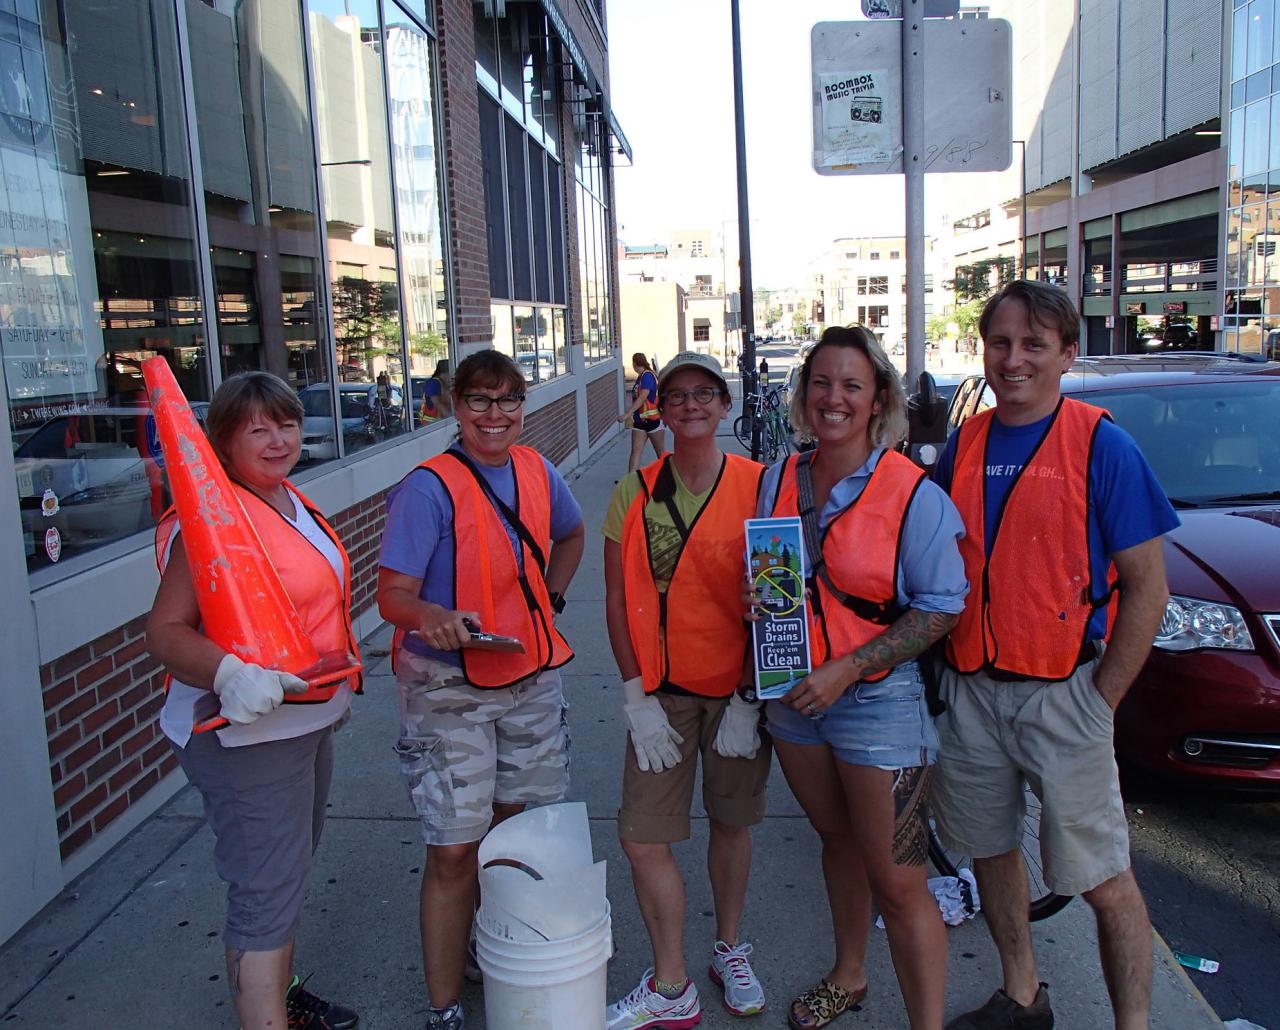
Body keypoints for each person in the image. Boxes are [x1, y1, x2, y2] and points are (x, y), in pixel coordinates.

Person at [930, 281, 1177, 1030]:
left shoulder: (1103, 444)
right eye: (1000, 343)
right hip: (972, 691)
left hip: (1064, 694)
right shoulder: (965, 441)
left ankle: (1131, 1024)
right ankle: (1023, 995)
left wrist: (1100, 699)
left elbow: (1148, 590)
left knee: (1102, 878)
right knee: (990, 850)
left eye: (1034, 344)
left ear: (1068, 353)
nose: (1014, 360)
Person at [755, 325, 968, 1030]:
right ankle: (848, 977)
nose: (833, 398)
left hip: (878, 706)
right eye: (821, 383)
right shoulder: (775, 477)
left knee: (902, 881)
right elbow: (773, 582)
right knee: (837, 842)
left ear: (879, 398)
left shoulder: (914, 494)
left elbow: (942, 606)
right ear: (803, 392)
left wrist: (851, 667)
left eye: (851, 385)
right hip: (792, 701)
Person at [376, 350, 585, 1030]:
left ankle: (497, 949)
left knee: (518, 829)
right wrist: (430, 617)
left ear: (523, 406)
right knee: (454, 847)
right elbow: (392, 597)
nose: (495, 415)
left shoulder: (536, 469)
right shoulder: (428, 488)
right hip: (448, 688)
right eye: (479, 401)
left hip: (528, 675)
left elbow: (572, 533)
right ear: (453, 406)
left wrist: (550, 594)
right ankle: (443, 1009)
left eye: (507, 401)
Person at [146, 371, 362, 1030]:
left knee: (284, 876)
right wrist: (229, 672)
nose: (276, 440)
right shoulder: (210, 518)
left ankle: (278, 995)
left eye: (287, 424)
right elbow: (165, 632)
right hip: (245, 738)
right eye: (256, 429)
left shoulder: (287, 497)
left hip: (304, 721)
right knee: (265, 890)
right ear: (223, 441)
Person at [602, 352, 771, 1029]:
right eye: (677, 396)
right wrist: (632, 695)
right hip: (661, 694)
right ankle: (671, 982)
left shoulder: (762, 486)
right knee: (643, 838)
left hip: (735, 694)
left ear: (725, 405)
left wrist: (751, 699)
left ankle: (728, 950)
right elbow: (617, 599)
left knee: (732, 825)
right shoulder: (635, 491)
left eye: (705, 393)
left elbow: (782, 601)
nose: (691, 405)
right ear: (660, 410)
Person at [619, 352, 665, 472]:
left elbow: (643, 396)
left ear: (635, 363)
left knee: (660, 452)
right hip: (640, 421)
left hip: (653, 421)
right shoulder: (640, 377)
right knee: (636, 450)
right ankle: (630, 481)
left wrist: (627, 415)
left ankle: (669, 478)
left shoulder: (647, 376)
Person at [420, 359, 453, 424]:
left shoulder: (444, 383)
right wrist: (452, 420)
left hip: (441, 422)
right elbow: (438, 404)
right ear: (445, 372)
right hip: (432, 425)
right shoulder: (433, 383)